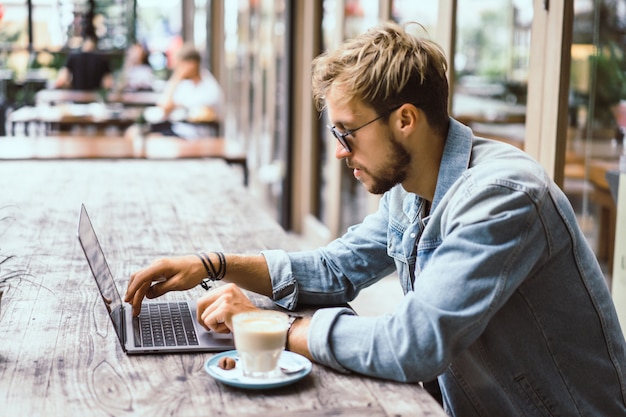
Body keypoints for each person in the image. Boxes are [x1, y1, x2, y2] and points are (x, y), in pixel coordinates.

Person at [124, 21, 626, 416]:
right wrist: (210, 263)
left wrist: (268, 325)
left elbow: (412, 346)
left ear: (404, 120)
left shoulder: (502, 198)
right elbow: (336, 269)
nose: (340, 153)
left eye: (347, 133)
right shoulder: (412, 189)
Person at [146, 43, 223, 139]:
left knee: (153, 139)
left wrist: (177, 78)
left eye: (180, 65)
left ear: (192, 64)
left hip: (194, 136)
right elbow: (164, 107)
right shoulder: (185, 84)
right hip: (178, 130)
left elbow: (205, 115)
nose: (178, 70)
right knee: (137, 133)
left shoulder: (209, 86)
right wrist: (176, 79)